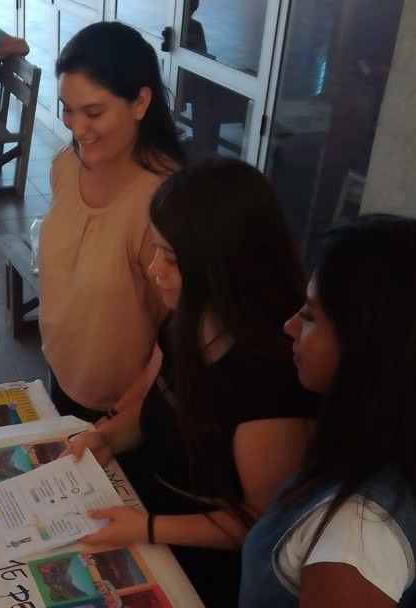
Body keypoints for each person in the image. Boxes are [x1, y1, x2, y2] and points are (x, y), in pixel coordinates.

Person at [67, 158, 316, 608]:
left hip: (198, 555)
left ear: (225, 265)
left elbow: (257, 521)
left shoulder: (272, 378)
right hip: (142, 505)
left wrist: (145, 527)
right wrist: (105, 437)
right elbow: (151, 404)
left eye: (172, 259)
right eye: (156, 249)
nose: (154, 269)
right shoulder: (187, 319)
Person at [240, 215, 416, 608]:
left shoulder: (357, 536)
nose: (289, 326)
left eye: (309, 316)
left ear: (368, 346)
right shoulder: (364, 448)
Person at [38, 21, 186, 423]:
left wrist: (125, 414)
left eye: (94, 112)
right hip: (61, 372)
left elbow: (178, 329)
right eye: (68, 109)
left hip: (118, 408)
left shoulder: (162, 201)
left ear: (140, 103)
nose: (76, 127)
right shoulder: (66, 167)